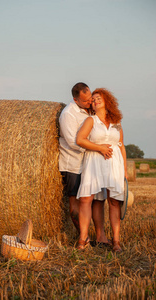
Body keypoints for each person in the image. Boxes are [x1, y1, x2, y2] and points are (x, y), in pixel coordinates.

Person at [59, 83, 112, 244]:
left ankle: (100, 236)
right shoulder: (68, 114)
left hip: (90, 164)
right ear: (75, 100)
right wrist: (97, 148)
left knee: (97, 199)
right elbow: (73, 142)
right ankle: (84, 236)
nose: (90, 102)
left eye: (90, 98)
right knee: (76, 200)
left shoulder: (89, 110)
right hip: (74, 164)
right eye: (85, 101)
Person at [76, 88, 127, 252]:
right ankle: (82, 239)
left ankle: (116, 241)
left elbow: (121, 146)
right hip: (94, 161)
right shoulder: (91, 121)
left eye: (99, 98)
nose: (95, 100)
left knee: (114, 202)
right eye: (94, 99)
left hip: (114, 163)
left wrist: (125, 170)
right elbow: (80, 140)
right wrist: (99, 148)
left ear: (107, 101)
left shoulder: (116, 122)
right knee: (86, 199)